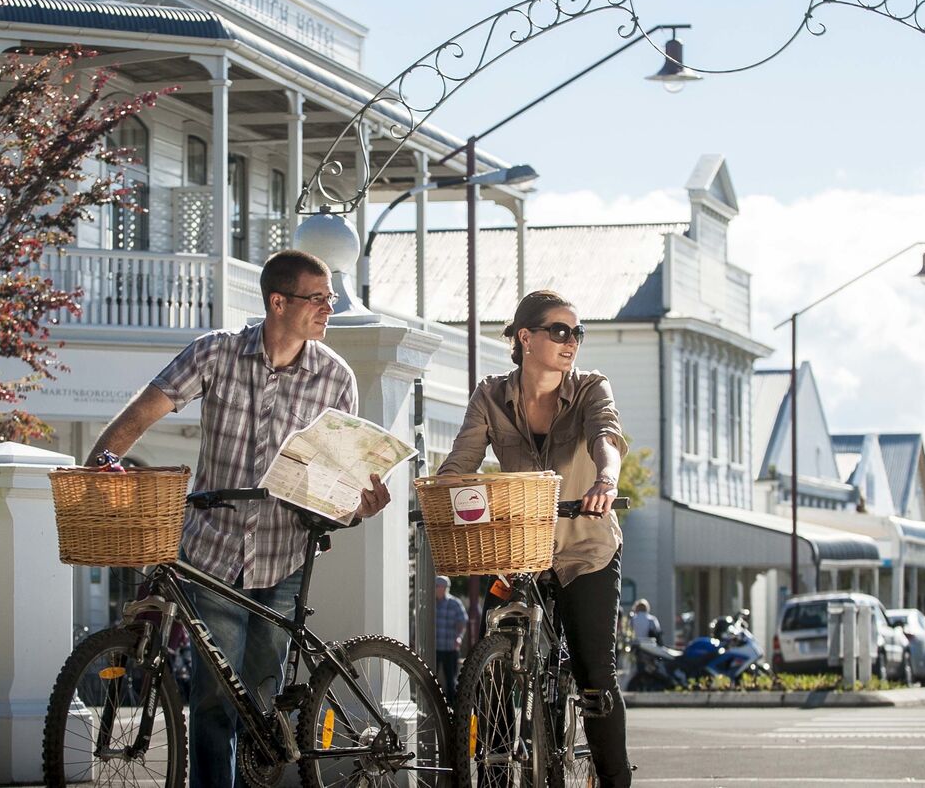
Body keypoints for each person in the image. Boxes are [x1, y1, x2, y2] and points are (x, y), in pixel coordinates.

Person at [86, 249, 392, 788]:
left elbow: (341, 472)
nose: (329, 308)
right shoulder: (216, 353)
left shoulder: (335, 377)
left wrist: (357, 503)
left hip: (284, 554)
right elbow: (146, 410)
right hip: (213, 550)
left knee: (261, 698)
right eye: (318, 298)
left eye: (330, 298)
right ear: (279, 301)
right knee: (212, 701)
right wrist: (99, 464)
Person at [437, 289, 632, 788]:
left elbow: (606, 438)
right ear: (526, 337)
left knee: (594, 673)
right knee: (498, 662)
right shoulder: (490, 396)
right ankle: (502, 770)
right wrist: (437, 494)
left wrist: (605, 481)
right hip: (522, 550)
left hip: (586, 548)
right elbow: (461, 463)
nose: (572, 341)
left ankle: (614, 780)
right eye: (560, 330)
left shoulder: (591, 388)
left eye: (577, 332)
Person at [433, 575, 467, 703]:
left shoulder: (455, 603)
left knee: (450, 681)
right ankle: (435, 706)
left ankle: (452, 707)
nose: (435, 589)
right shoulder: (431, 604)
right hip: (434, 648)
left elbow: (462, 622)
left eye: (437, 586)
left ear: (443, 588)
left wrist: (459, 637)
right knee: (431, 679)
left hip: (450, 648)